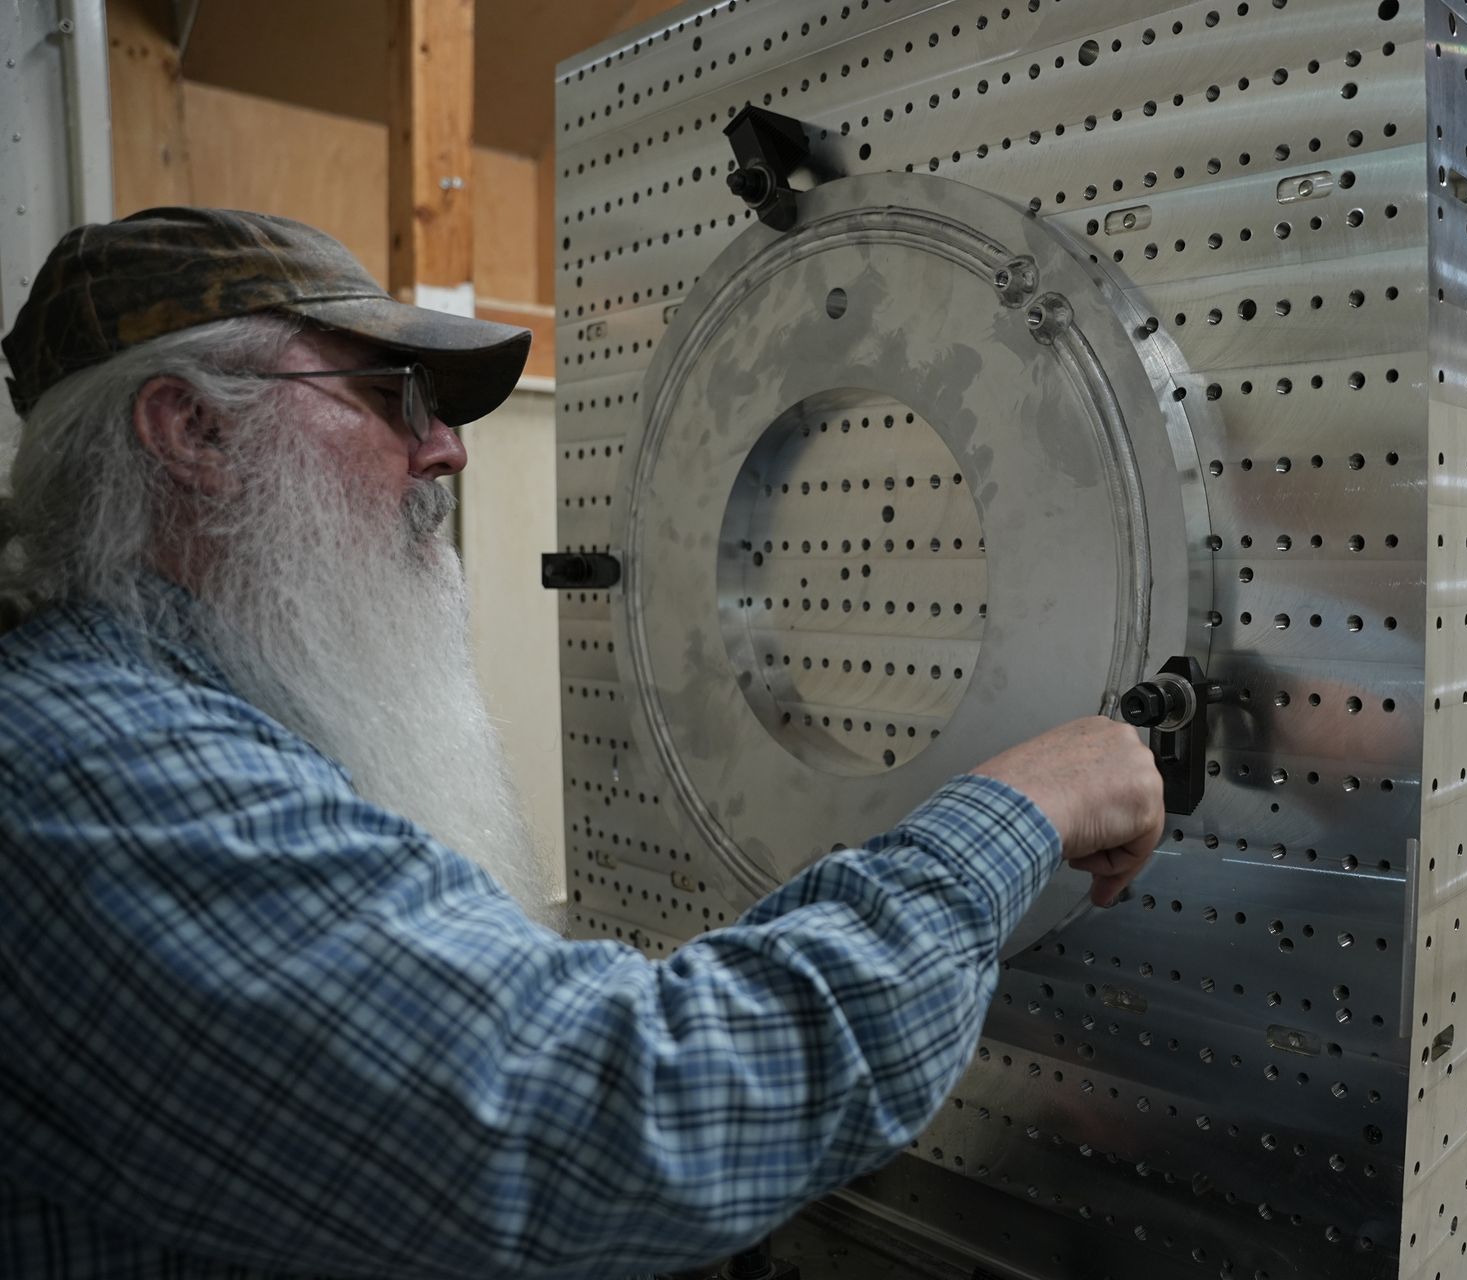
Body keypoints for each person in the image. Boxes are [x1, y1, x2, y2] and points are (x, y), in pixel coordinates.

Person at [0, 208, 1165, 1278]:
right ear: (192, 427)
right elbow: (608, 1117)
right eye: (394, 394)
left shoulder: (194, 720)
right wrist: (1018, 810)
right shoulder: (90, 770)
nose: (447, 450)